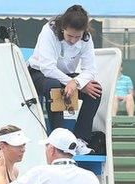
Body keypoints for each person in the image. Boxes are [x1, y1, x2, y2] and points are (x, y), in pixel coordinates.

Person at [27, 5, 102, 144]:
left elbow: (90, 69)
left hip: (67, 76)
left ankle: (81, 139)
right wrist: (73, 83)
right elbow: (47, 68)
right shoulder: (48, 31)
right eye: (69, 35)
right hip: (39, 74)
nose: (73, 40)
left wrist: (77, 83)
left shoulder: (86, 38)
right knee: (54, 86)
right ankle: (58, 139)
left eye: (77, 37)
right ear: (63, 28)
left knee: (95, 90)